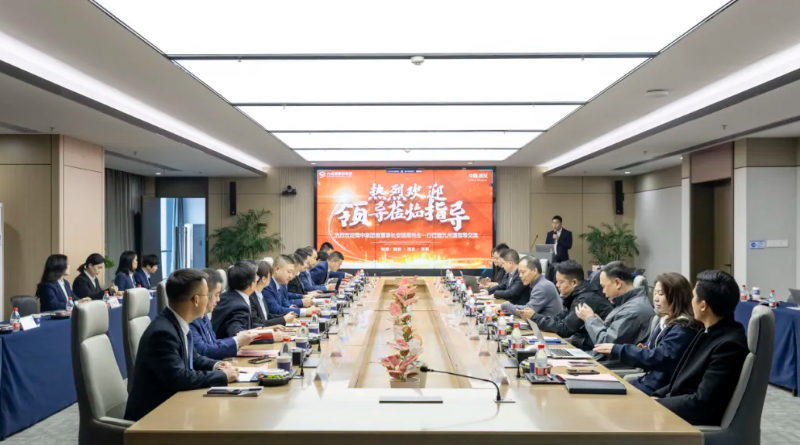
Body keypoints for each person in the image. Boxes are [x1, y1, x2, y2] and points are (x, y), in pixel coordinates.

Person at [124, 269, 238, 422]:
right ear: (196, 300)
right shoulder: (163, 333)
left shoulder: (177, 323)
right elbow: (179, 378)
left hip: (174, 408)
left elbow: (194, 358)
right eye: (208, 295)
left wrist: (217, 365)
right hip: (153, 419)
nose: (213, 299)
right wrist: (222, 376)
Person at [652, 270, 749, 426]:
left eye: (693, 297)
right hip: (675, 408)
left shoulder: (728, 346)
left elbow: (702, 403)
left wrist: (657, 404)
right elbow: (681, 381)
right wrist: (655, 396)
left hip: (689, 423)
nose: (691, 302)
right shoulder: (709, 330)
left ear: (703, 306)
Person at [593, 273, 700, 395]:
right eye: (655, 293)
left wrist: (618, 349)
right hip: (647, 382)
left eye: (661, 294)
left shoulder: (683, 329)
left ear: (677, 296)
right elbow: (655, 352)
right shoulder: (664, 321)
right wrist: (645, 348)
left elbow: (659, 357)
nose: (656, 299)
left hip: (657, 390)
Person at [518, 260, 613, 350]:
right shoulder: (576, 295)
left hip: (593, 350)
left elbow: (565, 329)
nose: (557, 285)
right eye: (557, 281)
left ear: (574, 282)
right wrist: (535, 318)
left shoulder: (586, 299)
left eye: (561, 282)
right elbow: (560, 319)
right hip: (582, 344)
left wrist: (535, 317)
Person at [575, 262, 655, 354]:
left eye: (604, 286)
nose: (603, 291)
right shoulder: (628, 303)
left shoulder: (633, 310)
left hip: (608, 361)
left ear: (617, 283)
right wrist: (598, 322)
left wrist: (589, 319)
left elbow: (605, 344)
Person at [190, 268, 259, 360]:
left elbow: (214, 343)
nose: (218, 299)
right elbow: (203, 351)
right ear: (206, 295)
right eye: (216, 294)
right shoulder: (191, 319)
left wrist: (238, 339)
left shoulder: (203, 316)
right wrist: (237, 341)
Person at [211, 262, 285, 342]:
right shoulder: (238, 307)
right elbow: (239, 336)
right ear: (251, 285)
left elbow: (245, 327)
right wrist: (270, 337)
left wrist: (267, 329)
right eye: (256, 278)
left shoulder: (227, 297)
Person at [496, 256, 562, 318]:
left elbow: (527, 311)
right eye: (519, 272)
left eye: (523, 272)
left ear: (534, 271)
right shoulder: (537, 284)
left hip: (549, 326)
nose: (520, 276)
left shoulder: (542, 286)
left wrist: (505, 306)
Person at [250, 261, 295, 327]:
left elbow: (267, 315)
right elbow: (257, 322)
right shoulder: (251, 297)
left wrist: (285, 317)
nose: (271, 279)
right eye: (270, 277)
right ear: (264, 279)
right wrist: (283, 319)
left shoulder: (260, 294)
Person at [545, 216, 572, 281]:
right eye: (553, 223)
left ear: (560, 223)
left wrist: (558, 239)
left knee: (560, 277)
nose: (555, 225)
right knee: (550, 276)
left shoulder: (567, 233)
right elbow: (546, 246)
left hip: (562, 259)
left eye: (556, 223)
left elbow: (569, 245)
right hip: (552, 258)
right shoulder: (549, 234)